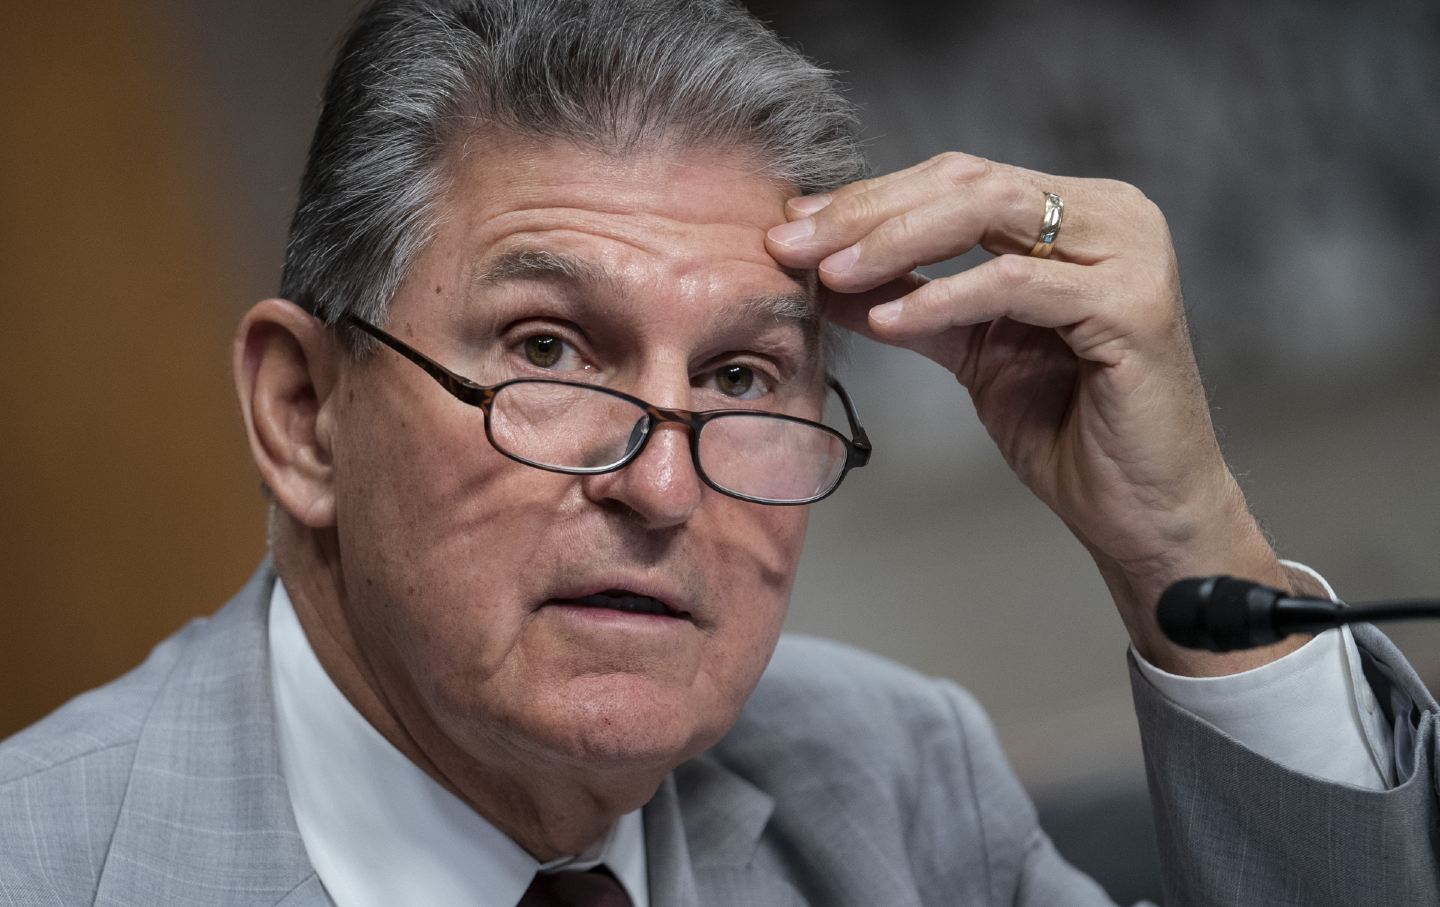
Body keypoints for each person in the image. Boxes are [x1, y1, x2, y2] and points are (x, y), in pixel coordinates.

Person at [2, 1, 1436, 904]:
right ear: (302, 414)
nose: (664, 484)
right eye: (549, 349)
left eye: (745, 375)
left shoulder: (888, 782)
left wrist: (1185, 550)